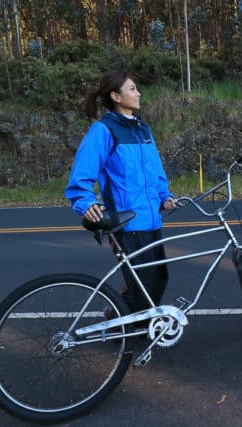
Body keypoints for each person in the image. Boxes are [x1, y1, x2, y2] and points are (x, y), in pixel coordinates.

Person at [65, 70, 177, 317]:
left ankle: (132, 322)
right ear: (116, 96)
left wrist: (164, 195)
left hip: (151, 221)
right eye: (132, 89)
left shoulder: (142, 130)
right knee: (143, 286)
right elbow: (82, 173)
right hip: (127, 224)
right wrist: (85, 201)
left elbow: (155, 170)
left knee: (158, 280)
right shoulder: (103, 131)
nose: (138, 94)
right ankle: (116, 320)